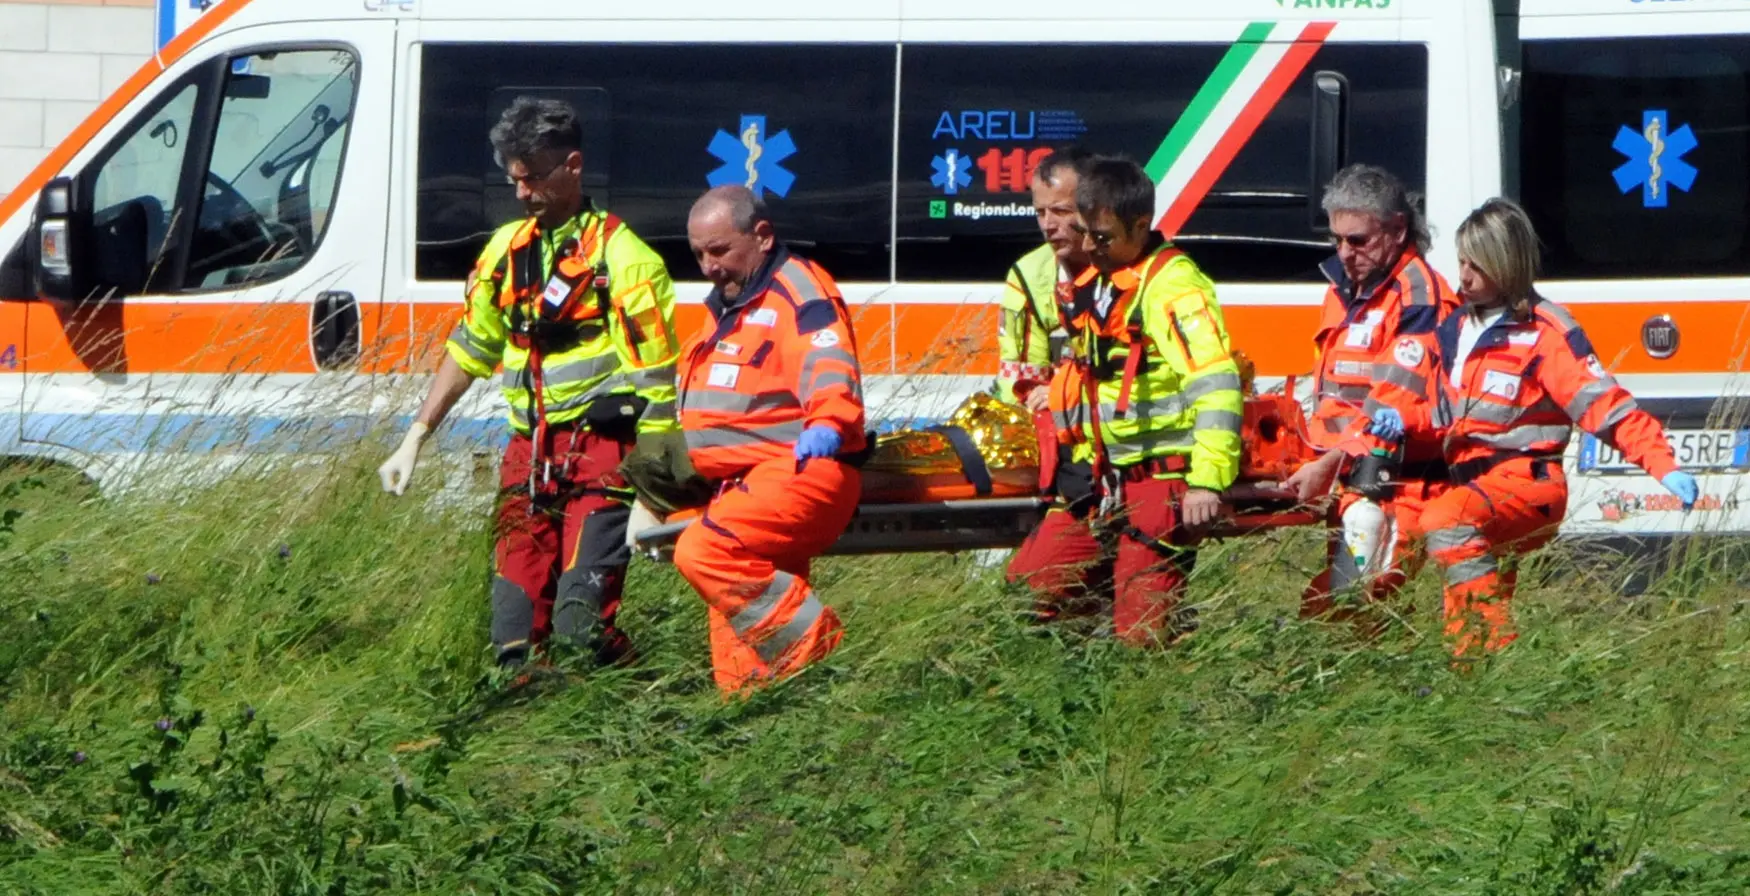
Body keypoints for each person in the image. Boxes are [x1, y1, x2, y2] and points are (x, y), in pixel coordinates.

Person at [377, 97, 679, 670]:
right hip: (529, 455)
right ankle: (523, 736)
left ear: (573, 165)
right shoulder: (504, 252)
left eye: (535, 177)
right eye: (514, 179)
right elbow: (471, 348)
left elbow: (658, 389)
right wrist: (416, 435)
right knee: (512, 639)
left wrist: (651, 496)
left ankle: (637, 693)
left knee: (578, 631)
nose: (522, 192)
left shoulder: (625, 259)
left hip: (601, 456)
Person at [1356, 198, 1698, 656]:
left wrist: (1663, 465)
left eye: (1478, 265)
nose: (1465, 276)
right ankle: (1466, 675)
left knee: (1447, 522)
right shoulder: (1455, 329)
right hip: (1472, 486)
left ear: (1507, 263)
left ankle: (1495, 654)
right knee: (1400, 539)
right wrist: (1404, 420)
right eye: (1461, 262)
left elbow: (1606, 407)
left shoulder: (1545, 332)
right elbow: (1445, 417)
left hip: (1527, 483)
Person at [1006, 157, 1244, 645]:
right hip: (1098, 483)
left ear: (1140, 226)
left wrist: (1206, 483)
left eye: (1103, 237)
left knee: (1140, 636)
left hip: (1162, 485)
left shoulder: (1173, 287)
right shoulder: (1104, 280)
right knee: (1025, 595)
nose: (1090, 248)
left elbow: (1217, 383)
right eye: (1086, 234)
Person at [671, 185, 867, 694]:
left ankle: (816, 649)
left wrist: (828, 421)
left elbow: (828, 361)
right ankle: (759, 715)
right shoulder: (732, 303)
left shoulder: (798, 289)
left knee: (704, 551)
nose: (709, 266)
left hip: (801, 471)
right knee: (737, 627)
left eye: (719, 251)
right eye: (698, 254)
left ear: (761, 236)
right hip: (745, 482)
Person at [1283, 164, 1461, 624]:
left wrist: (1327, 464)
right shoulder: (1346, 291)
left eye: (1358, 240)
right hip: (1348, 478)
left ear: (1398, 229)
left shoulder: (1419, 299)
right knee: (1339, 609)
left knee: (1359, 606)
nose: (1345, 252)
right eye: (1337, 240)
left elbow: (1393, 407)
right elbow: (1335, 395)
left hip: (1397, 484)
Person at [999, 147, 1095, 412]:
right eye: (1040, 213)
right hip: (1060, 433)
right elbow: (1019, 382)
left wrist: (1065, 390)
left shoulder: (1132, 266)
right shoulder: (1028, 275)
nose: (1048, 225)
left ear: (1094, 209)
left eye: (1061, 211)